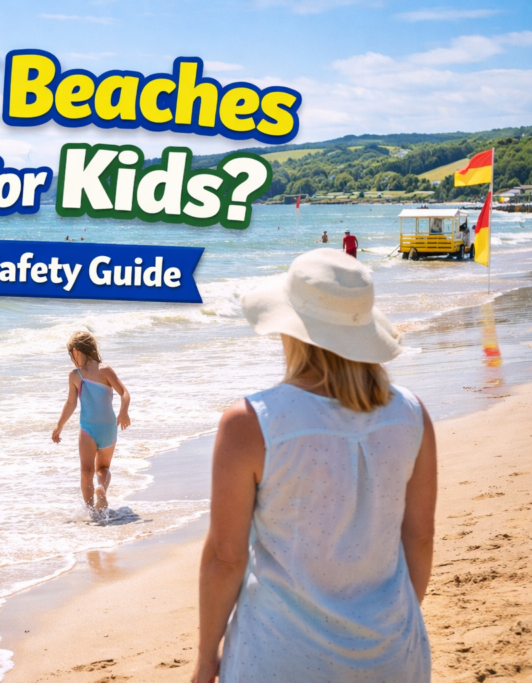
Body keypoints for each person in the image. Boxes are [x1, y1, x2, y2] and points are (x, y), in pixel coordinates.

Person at [191, 249, 436, 682]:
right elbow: (418, 536)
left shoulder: (252, 423)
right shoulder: (412, 414)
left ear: (292, 329)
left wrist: (206, 659)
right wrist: (388, 626)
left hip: (278, 654)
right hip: (391, 652)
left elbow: (225, 559)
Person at [51, 332, 131, 512]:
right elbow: (125, 393)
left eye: (71, 355)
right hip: (108, 428)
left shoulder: (74, 375)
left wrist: (60, 425)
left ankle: (90, 512)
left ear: (75, 351)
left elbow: (71, 403)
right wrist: (123, 412)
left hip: (87, 429)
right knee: (103, 467)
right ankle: (101, 488)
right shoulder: (105, 370)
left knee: (86, 472)